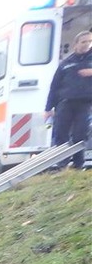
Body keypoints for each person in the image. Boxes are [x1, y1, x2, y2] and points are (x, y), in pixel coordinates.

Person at [45, 30, 92, 170]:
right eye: (84, 42)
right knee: (61, 134)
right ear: (76, 44)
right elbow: (54, 87)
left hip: (84, 103)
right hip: (64, 103)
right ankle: (62, 164)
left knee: (80, 134)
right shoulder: (65, 63)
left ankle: (78, 165)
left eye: (89, 42)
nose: (87, 44)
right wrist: (48, 108)